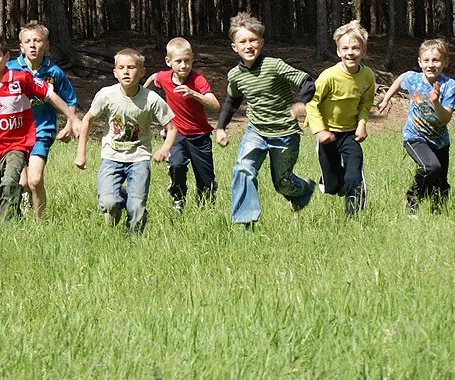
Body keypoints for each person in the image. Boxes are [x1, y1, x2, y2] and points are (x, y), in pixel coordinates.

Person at [0, 33, 80, 221]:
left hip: (17, 145)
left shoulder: (21, 79)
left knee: (10, 182)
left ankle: (7, 228)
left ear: (6, 57)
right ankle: (16, 219)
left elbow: (50, 94)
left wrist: (73, 118)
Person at [215, 13, 316, 228]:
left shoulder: (274, 65)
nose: (248, 46)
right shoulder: (235, 75)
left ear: (261, 42)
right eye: (243, 41)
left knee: (282, 184)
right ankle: (245, 222)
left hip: (285, 134)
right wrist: (221, 127)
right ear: (234, 47)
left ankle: (304, 189)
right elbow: (232, 101)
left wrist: (302, 103)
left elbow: (307, 81)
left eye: (253, 40)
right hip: (256, 132)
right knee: (243, 168)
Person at [75, 49, 175, 235]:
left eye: (131, 67)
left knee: (136, 207)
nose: (126, 72)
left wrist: (164, 148)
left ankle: (133, 241)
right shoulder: (107, 95)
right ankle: (121, 203)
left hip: (139, 158)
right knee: (108, 202)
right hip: (111, 157)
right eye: (121, 68)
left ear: (142, 72)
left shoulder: (151, 99)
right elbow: (88, 120)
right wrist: (81, 153)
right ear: (115, 72)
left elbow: (171, 127)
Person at [5, 21, 79, 219]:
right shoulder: (10, 69)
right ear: (21, 47)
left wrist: (69, 125)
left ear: (46, 45)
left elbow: (70, 100)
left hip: (42, 131)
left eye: (37, 41)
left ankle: (41, 222)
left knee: (35, 179)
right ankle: (22, 206)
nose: (32, 45)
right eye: (27, 41)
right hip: (15, 133)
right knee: (22, 183)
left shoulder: (54, 72)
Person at [378, 39, 455, 214]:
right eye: (426, 60)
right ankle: (412, 200)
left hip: (440, 141)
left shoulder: (449, 86)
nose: (431, 65)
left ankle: (438, 217)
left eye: (436, 60)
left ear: (445, 62)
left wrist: (436, 102)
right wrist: (386, 98)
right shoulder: (413, 79)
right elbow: (400, 80)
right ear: (420, 62)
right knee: (430, 167)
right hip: (414, 136)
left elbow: (445, 119)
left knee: (441, 187)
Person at [306, 21, 376, 216]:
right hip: (327, 134)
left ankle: (354, 218)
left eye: (355, 48)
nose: (350, 52)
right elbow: (311, 102)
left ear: (363, 51)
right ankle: (330, 180)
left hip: (349, 135)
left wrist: (362, 124)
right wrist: (320, 131)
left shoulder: (368, 76)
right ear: (338, 52)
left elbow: (365, 103)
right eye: (345, 48)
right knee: (332, 187)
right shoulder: (329, 76)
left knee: (354, 176)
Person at [143, 37, 220, 213]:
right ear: (168, 62)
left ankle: (205, 207)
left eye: (187, 61)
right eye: (178, 61)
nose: (183, 65)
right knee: (176, 165)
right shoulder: (164, 77)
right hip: (175, 134)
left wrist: (194, 94)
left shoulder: (198, 79)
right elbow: (154, 78)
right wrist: (143, 95)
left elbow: (215, 106)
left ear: (192, 59)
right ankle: (178, 199)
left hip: (200, 136)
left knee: (205, 178)